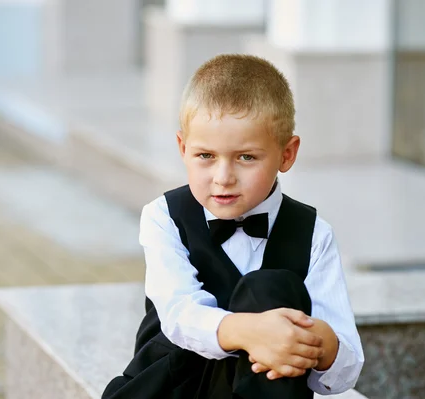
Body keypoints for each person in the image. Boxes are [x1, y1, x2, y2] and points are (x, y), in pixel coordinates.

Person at [102, 54, 364, 399]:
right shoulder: (164, 216)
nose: (223, 178)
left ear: (287, 154)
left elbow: (344, 370)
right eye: (206, 156)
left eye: (246, 157)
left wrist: (314, 342)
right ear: (183, 148)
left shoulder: (313, 234)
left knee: (271, 290)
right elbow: (179, 314)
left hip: (267, 386)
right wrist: (251, 331)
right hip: (173, 387)